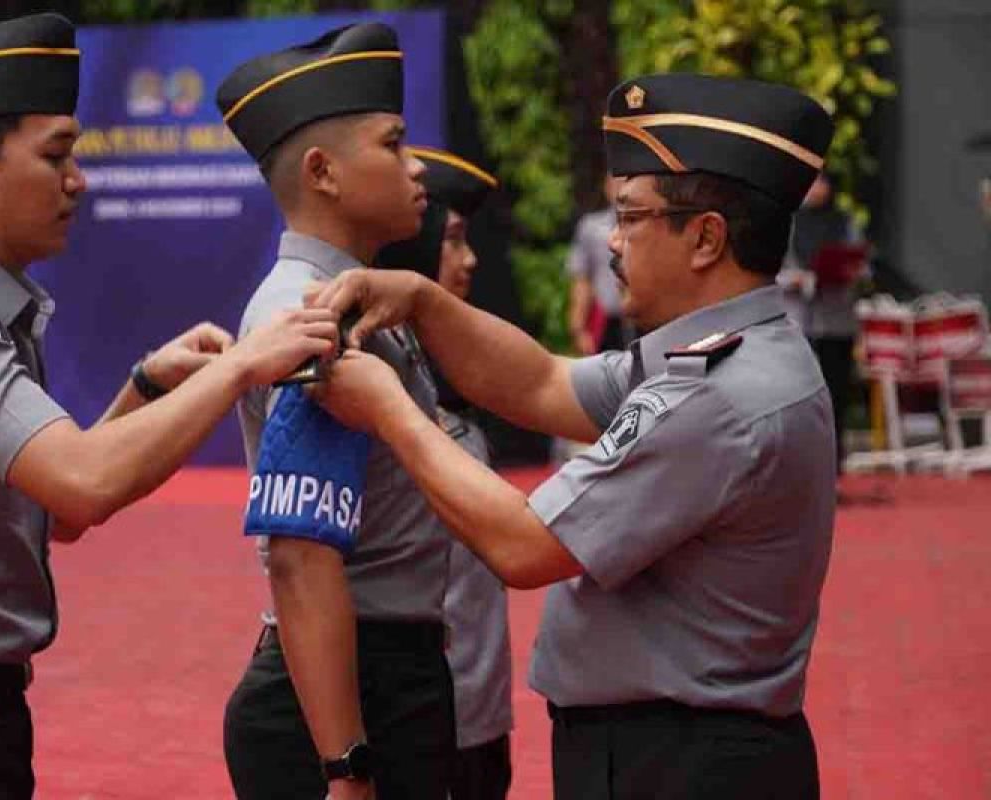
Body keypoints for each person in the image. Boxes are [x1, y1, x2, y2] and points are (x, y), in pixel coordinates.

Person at [0, 14, 337, 799]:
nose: (77, 179)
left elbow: (58, 507)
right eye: (56, 155)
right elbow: (82, 483)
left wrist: (147, 387)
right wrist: (237, 372)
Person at [310, 73, 837, 799]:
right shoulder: (726, 350)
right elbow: (542, 385)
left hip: (680, 760)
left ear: (707, 238)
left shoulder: (719, 396)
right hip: (677, 745)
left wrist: (389, 408)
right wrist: (425, 303)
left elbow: (523, 546)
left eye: (632, 216)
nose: (613, 244)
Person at [216, 23, 454, 800]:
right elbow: (302, 554)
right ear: (322, 171)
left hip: (382, 672)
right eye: (393, 145)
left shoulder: (359, 297)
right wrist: (346, 768)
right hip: (351, 695)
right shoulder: (312, 316)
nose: (416, 167)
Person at [374, 147, 511, 800]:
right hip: (421, 722)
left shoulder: (454, 383)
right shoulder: (379, 392)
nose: (469, 261)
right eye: (452, 241)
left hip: (479, 718)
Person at [778, 172, 866, 474]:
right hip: (800, 322)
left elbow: (862, 265)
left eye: (823, 182)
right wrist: (802, 280)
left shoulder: (845, 222)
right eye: (812, 182)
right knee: (799, 393)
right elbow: (771, 272)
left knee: (836, 391)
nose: (818, 189)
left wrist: (851, 272)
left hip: (838, 321)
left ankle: (835, 460)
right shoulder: (786, 223)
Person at [568, 173, 631, 354]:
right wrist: (578, 327)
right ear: (606, 186)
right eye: (615, 181)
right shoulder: (591, 227)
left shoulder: (650, 225)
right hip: (605, 319)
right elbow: (582, 278)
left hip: (640, 320)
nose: (619, 188)